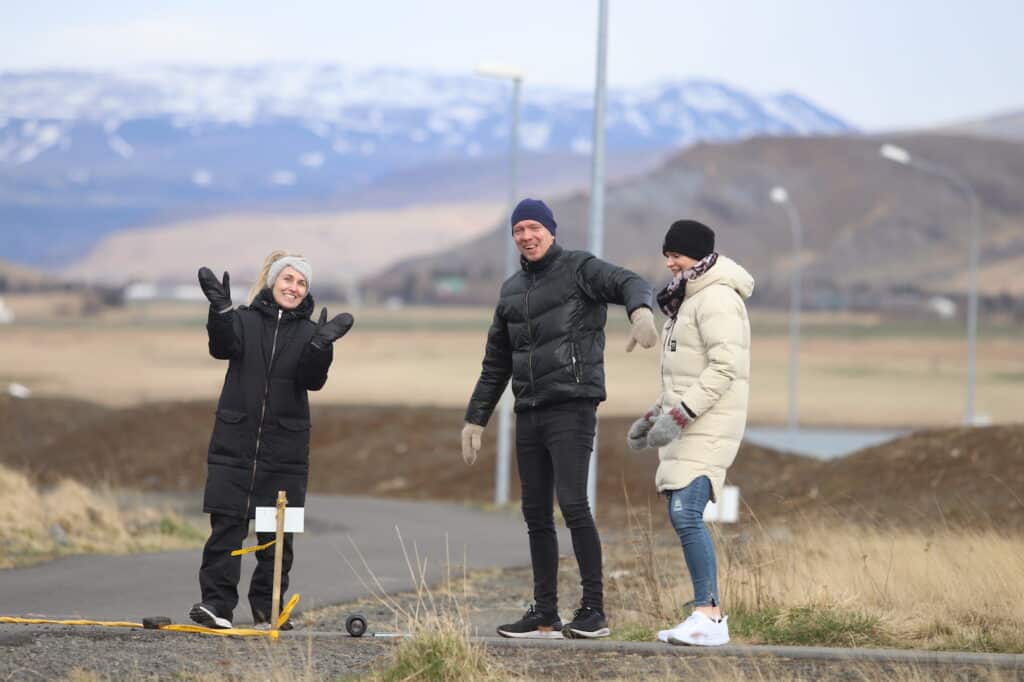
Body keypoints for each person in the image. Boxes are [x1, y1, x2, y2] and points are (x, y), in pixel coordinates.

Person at [462, 198, 658, 639]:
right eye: (518, 230)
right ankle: (545, 612)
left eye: (534, 227)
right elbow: (496, 364)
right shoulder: (511, 290)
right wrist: (475, 418)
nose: (526, 236)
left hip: (572, 405)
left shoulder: (579, 269)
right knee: (535, 513)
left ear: (551, 230)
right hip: (529, 411)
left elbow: (630, 281)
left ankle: (593, 611)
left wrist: (640, 311)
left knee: (572, 504)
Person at [189, 251, 354, 630]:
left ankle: (269, 611)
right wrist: (220, 311)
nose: (294, 287)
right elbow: (221, 347)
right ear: (272, 281)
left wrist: (321, 347)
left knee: (277, 535)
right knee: (226, 527)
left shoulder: (311, 333)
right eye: (288, 279)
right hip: (235, 441)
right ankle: (216, 606)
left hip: (285, 450)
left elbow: (313, 381)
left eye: (301, 283)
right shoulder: (243, 320)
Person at [626, 219, 754, 646]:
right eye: (666, 254)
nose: (669, 262)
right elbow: (683, 377)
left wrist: (679, 416)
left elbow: (724, 369)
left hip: (710, 424)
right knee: (680, 512)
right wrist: (654, 416)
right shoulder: (686, 300)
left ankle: (710, 616)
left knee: (686, 512)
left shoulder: (716, 298)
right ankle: (705, 613)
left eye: (676, 255)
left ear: (698, 256)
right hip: (691, 422)